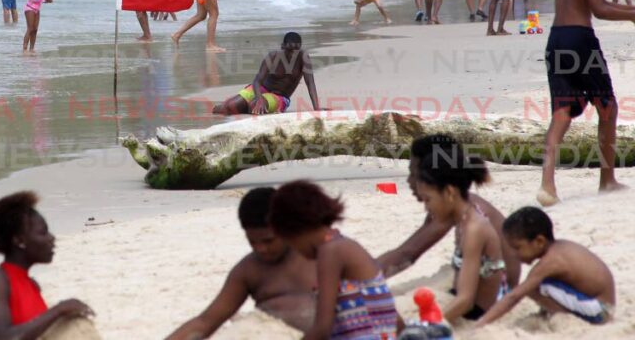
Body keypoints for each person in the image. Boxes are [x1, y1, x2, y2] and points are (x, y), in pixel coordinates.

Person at [538, 0, 634, 206]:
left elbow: (601, 6)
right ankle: (606, 180)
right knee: (607, 107)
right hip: (580, 41)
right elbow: (600, 8)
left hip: (556, 42)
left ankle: (547, 185)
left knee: (561, 113)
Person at [166, 187, 317, 338]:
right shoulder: (249, 270)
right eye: (252, 241)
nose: (261, 249)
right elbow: (206, 321)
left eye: (268, 240)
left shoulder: (323, 256)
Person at [378, 134, 520, 288]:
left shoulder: (459, 206)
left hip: (498, 288)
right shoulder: (454, 202)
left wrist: (359, 278)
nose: (409, 181)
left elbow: (407, 254)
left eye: (413, 174)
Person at [268, 181, 398, 340]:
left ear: (294, 229)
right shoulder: (343, 244)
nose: (296, 251)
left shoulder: (330, 252)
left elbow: (322, 328)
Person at [0, 192, 94, 336]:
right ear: (20, 240)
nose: (51, 238)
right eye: (43, 232)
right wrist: (59, 310)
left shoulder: (31, 284)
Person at [413, 144, 508, 321]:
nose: (426, 207)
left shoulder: (474, 228)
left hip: (477, 311)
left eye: (428, 199)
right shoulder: (465, 219)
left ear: (449, 192)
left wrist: (426, 326)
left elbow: (466, 300)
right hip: (469, 301)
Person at [476, 207, 615, 327]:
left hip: (602, 311)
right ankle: (553, 312)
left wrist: (482, 323)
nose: (514, 254)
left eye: (517, 248)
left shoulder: (551, 261)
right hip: (601, 304)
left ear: (539, 241)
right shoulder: (560, 247)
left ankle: (562, 316)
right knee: (541, 284)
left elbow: (514, 296)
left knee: (534, 288)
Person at [213, 32, 320, 115]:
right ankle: (227, 106)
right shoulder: (273, 56)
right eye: (289, 50)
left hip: (280, 96)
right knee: (230, 107)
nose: (292, 54)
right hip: (261, 89)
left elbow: (310, 84)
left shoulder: (303, 59)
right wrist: (259, 98)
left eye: (295, 51)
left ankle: (248, 104)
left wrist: (317, 108)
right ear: (282, 46)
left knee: (254, 107)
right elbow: (257, 81)